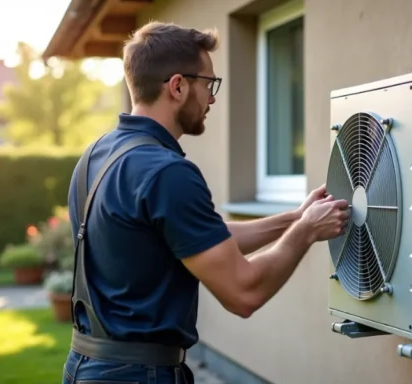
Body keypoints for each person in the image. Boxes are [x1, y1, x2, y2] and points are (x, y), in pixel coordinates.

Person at [61, 21, 350, 384]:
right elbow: (244, 292)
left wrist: (294, 217)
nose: (212, 98)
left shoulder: (96, 155)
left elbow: (198, 236)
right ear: (178, 86)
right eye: (208, 84)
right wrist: (305, 233)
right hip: (138, 376)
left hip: (84, 366)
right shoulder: (167, 172)